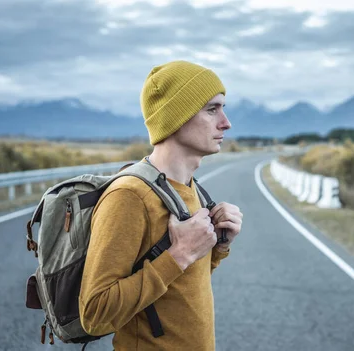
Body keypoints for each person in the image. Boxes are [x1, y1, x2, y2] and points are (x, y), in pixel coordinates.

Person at [78, 60, 243, 350]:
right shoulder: (129, 196)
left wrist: (218, 247)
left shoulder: (192, 190)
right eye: (212, 109)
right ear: (176, 116)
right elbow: (94, 315)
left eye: (223, 109)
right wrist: (177, 255)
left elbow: (182, 285)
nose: (226, 122)